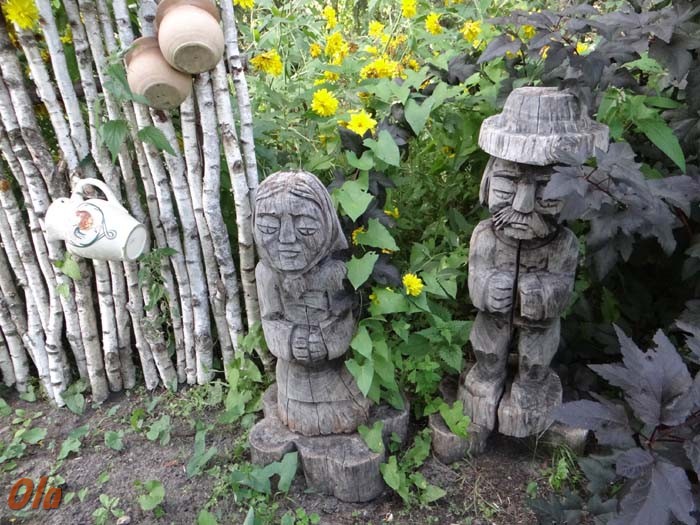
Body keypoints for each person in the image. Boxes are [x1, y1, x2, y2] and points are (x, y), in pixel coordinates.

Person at [253, 170, 370, 436]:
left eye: (305, 228)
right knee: (296, 406)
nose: (286, 239)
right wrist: (291, 338)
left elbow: (345, 317)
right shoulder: (267, 274)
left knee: (344, 405)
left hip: (334, 375)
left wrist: (326, 340)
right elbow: (270, 320)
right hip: (292, 378)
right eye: (269, 228)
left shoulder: (336, 271)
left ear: (327, 225)